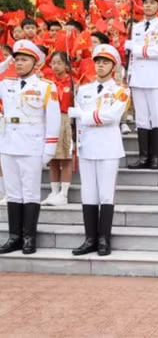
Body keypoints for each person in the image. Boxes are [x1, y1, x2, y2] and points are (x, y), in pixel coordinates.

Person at [0, 40, 61, 255]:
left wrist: (49, 149)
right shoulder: (6, 83)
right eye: (16, 59)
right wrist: (5, 61)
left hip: (33, 144)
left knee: (31, 193)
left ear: (35, 63)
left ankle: (28, 237)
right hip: (8, 144)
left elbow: (53, 120)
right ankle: (14, 237)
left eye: (23, 60)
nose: (18, 63)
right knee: (14, 193)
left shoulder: (45, 87)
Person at [68, 44, 129, 257]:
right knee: (88, 194)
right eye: (98, 62)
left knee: (105, 195)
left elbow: (111, 117)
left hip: (108, 147)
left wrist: (82, 115)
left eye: (105, 62)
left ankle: (104, 239)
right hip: (87, 146)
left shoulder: (121, 91)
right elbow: (81, 121)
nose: (101, 65)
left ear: (113, 66)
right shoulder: (83, 90)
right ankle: (90, 239)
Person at [125, 0, 158, 170]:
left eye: (152, 3)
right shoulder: (135, 27)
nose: (148, 6)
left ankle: (155, 157)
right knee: (142, 118)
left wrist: (135, 48)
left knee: (156, 117)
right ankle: (143, 156)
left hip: (155, 76)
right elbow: (132, 57)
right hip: (138, 76)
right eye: (145, 3)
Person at [41, 52, 74, 206]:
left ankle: (64, 193)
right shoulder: (47, 83)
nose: (55, 66)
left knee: (66, 157)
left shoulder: (72, 82)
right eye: (53, 63)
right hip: (50, 120)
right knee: (52, 158)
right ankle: (54, 191)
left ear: (66, 65)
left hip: (66, 120)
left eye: (59, 63)